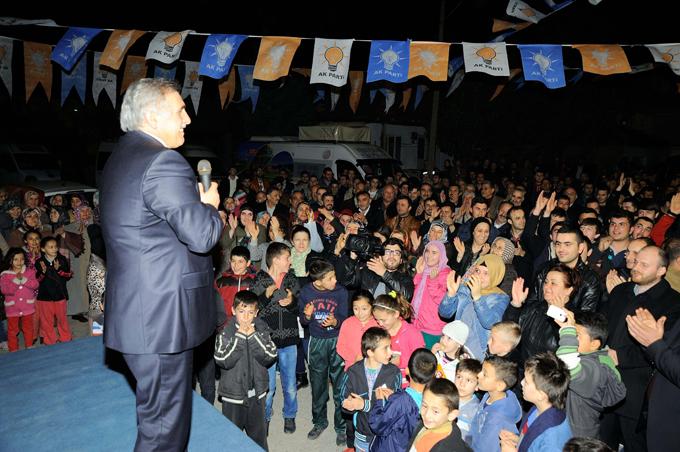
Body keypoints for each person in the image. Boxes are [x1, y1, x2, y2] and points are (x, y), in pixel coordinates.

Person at [100, 78, 224, 452]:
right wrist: (210, 207)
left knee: (156, 420)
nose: (187, 119)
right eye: (179, 110)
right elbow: (202, 236)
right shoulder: (162, 161)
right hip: (160, 321)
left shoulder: (122, 157)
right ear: (153, 116)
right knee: (164, 434)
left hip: (140, 313)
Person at [214, 290, 277, 450]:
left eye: (250, 313)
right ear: (233, 311)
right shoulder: (225, 332)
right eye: (242, 312)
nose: (246, 317)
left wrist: (254, 336)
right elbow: (223, 360)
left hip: (257, 395)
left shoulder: (262, 330)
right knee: (232, 438)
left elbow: (270, 356)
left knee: (259, 437)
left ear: (256, 313)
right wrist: (240, 337)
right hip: (233, 396)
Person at [251, 242, 300, 435]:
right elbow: (253, 310)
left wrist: (291, 302)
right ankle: (265, 417)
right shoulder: (260, 280)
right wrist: (265, 296)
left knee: (290, 385)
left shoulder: (292, 279)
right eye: (287, 257)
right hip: (266, 342)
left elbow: (299, 308)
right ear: (276, 260)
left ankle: (290, 416)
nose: (290, 261)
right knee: (268, 386)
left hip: (289, 341)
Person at [555, 310, 626, 438]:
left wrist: (567, 332)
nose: (572, 337)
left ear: (594, 344)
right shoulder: (582, 358)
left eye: (576, 335)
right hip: (565, 429)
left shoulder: (596, 368)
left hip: (577, 438)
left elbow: (567, 365)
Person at [299, 259, 348, 444]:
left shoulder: (341, 292)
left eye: (334, 275)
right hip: (317, 342)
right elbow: (303, 322)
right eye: (330, 278)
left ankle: (341, 426)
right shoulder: (306, 292)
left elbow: (344, 318)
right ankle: (319, 422)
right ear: (318, 281)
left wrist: (335, 322)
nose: (335, 280)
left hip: (337, 341)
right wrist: (307, 315)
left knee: (340, 385)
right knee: (318, 385)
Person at [626, 306, 680, 451]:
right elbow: (666, 352)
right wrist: (649, 340)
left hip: (671, 428)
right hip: (650, 413)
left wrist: (654, 345)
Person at [340, 327, 402, 452]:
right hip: (363, 433)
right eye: (385, 348)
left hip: (384, 435)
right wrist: (349, 405)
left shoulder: (394, 373)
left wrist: (364, 404)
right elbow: (343, 402)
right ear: (370, 352)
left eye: (390, 347)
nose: (391, 353)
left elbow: (393, 408)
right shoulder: (352, 372)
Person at [439, 254, 510, 359]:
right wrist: (451, 294)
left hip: (476, 354)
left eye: (486, 273)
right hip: (456, 347)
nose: (479, 276)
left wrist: (477, 297)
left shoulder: (500, 298)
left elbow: (490, 323)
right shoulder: (466, 289)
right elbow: (444, 313)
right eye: (477, 271)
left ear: (495, 275)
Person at [499, 352, 573, 452]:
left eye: (527, 382)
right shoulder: (538, 409)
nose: (521, 382)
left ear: (541, 395)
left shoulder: (553, 438)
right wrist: (518, 439)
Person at [369, 348, 438, 452]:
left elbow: (378, 425)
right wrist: (394, 397)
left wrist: (379, 402)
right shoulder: (435, 399)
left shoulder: (400, 401)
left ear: (407, 370)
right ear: (434, 374)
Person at [468, 356, 522, 452]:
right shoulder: (489, 395)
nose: (479, 375)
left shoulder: (497, 418)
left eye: (485, 374)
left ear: (499, 385)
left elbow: (486, 447)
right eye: (481, 370)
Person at [371, 292, 425, 386]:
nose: (380, 323)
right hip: (384, 382)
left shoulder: (412, 333)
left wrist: (401, 361)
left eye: (383, 320)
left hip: (406, 385)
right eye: (377, 320)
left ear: (396, 314)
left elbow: (421, 361)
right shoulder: (378, 332)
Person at [406, 378, 472, 452]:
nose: (427, 415)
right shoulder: (426, 423)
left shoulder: (445, 448)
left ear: (451, 415)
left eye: (435, 411)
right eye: (424, 406)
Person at [35, 236, 73, 345]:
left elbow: (68, 275)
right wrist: (43, 272)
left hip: (60, 295)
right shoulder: (39, 262)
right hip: (45, 296)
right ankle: (50, 340)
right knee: (47, 320)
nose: (54, 249)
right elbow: (38, 279)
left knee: (62, 318)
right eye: (50, 247)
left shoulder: (62, 260)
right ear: (43, 249)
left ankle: (65, 337)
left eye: (55, 246)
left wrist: (59, 270)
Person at [0, 248, 38, 351]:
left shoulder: (29, 272)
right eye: (16, 259)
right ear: (10, 260)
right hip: (12, 308)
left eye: (21, 259)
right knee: (12, 330)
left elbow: (35, 285)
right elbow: (5, 290)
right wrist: (16, 281)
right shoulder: (5, 275)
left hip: (27, 306)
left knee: (28, 328)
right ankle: (13, 350)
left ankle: (29, 346)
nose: (19, 262)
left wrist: (24, 280)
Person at [453, 358, 482, 443]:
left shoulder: (477, 410)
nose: (462, 383)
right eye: (459, 377)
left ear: (477, 386)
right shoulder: (446, 398)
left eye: (468, 380)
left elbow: (473, 439)